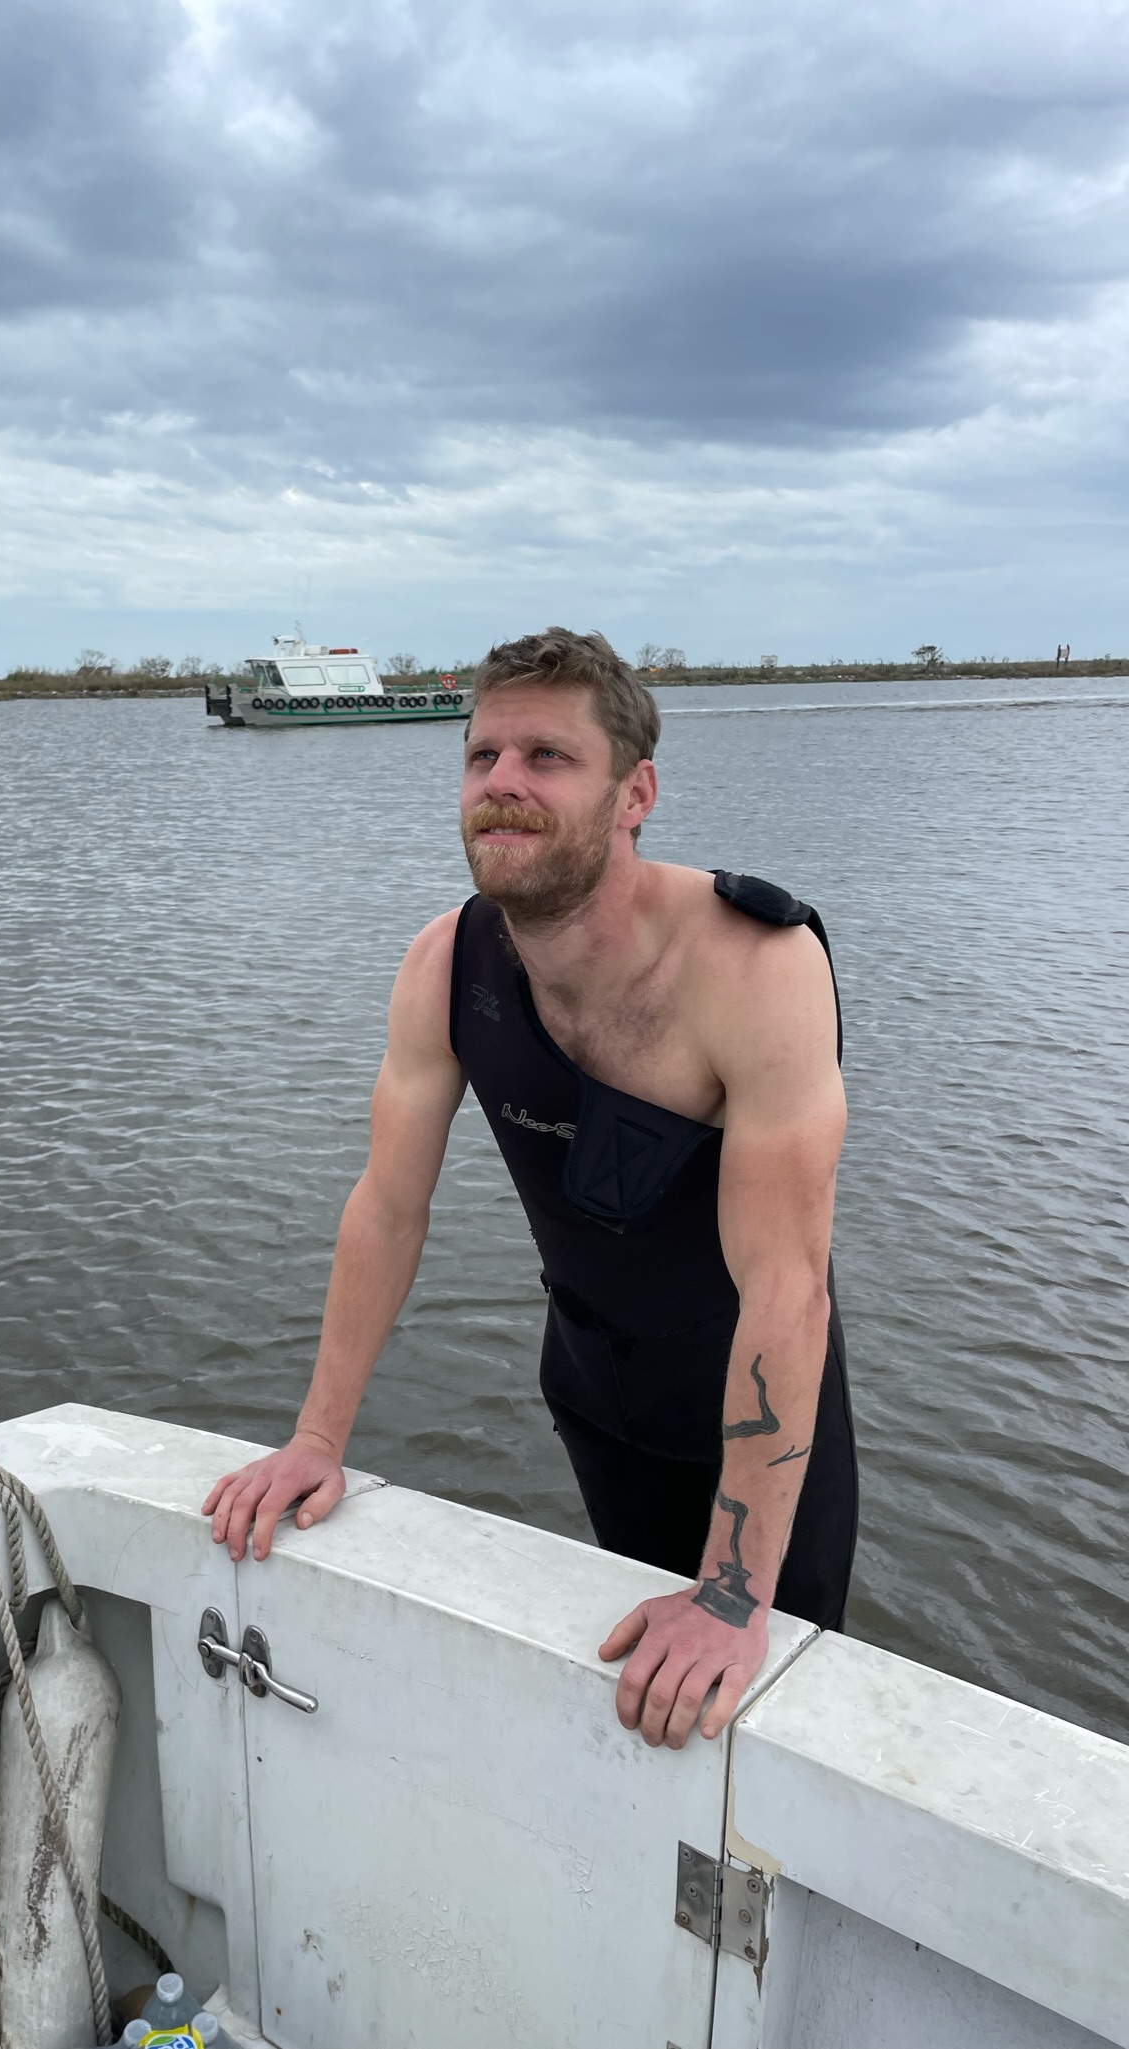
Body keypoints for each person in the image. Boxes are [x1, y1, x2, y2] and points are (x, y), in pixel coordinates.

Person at [203, 627, 857, 1750]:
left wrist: (735, 1592)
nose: (501, 784)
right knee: (631, 1708)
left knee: (764, 1730)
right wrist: (317, 1441)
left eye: (546, 757)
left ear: (635, 791)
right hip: (595, 1397)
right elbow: (387, 1208)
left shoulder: (756, 966)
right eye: (482, 757)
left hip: (762, 1435)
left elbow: (786, 1288)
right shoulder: (443, 966)